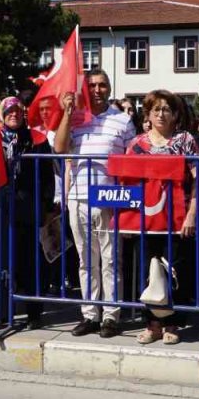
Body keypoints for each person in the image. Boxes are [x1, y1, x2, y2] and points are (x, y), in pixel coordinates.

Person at [53, 70, 136, 338]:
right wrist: (66, 113)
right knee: (86, 261)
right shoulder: (76, 119)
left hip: (109, 198)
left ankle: (111, 315)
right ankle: (90, 314)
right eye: (92, 85)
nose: (97, 89)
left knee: (111, 259)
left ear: (109, 88)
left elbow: (130, 160)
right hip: (78, 196)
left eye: (102, 85)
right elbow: (59, 148)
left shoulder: (123, 120)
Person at [126, 90, 199, 345]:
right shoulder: (137, 144)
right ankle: (152, 324)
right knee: (148, 272)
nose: (161, 114)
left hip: (177, 219)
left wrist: (192, 213)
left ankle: (172, 323)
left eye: (166, 109)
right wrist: (125, 219)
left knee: (174, 271)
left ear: (175, 114)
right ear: (147, 114)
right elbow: (128, 185)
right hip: (145, 221)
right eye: (155, 109)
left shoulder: (185, 140)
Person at [0, 96, 52, 328]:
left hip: (29, 207)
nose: (14, 114)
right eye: (9, 110)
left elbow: (48, 176)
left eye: (18, 110)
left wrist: (47, 207)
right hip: (1, 208)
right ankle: (1, 311)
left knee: (30, 262)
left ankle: (34, 313)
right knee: (2, 261)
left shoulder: (37, 139)